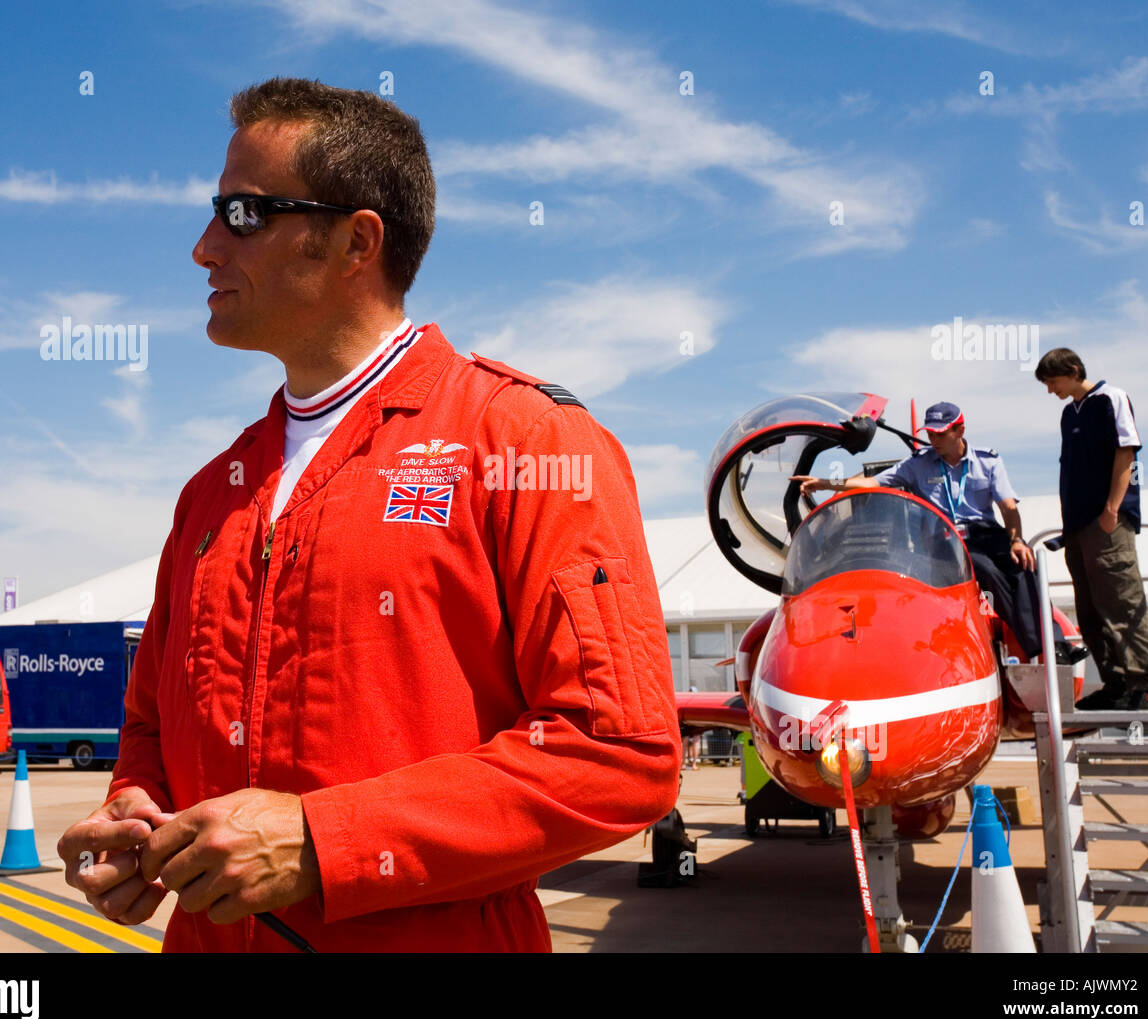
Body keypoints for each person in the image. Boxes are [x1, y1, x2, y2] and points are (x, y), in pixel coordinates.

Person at [57, 78, 681, 952]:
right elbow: (153, 726)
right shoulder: (211, 493)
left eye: (243, 215)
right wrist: (134, 810)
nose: (203, 248)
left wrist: (324, 841)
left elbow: (618, 751)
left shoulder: (528, 441)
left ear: (356, 241)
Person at [794, 402, 1066, 663]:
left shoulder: (989, 461)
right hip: (944, 540)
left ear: (959, 431)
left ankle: (1055, 646)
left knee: (1025, 567)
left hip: (985, 534)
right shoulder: (917, 464)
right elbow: (869, 483)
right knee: (986, 569)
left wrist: (1017, 541)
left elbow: (1007, 505)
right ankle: (1036, 645)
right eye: (930, 434)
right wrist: (826, 483)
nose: (933, 439)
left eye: (940, 433)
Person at [1035, 347, 1148, 710]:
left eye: (1053, 381)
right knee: (1089, 608)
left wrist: (1112, 509)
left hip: (1107, 522)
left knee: (1121, 600)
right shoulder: (1067, 413)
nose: (1051, 390)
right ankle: (1116, 683)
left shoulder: (1111, 397)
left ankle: (1145, 684)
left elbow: (1127, 452)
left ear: (1073, 370)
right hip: (1077, 526)